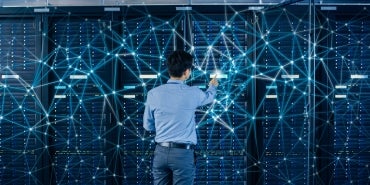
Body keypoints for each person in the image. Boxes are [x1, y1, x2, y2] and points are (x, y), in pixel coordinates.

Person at [143, 50, 219, 185]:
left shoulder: (153, 93)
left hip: (160, 152)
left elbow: (147, 126)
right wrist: (212, 86)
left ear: (169, 70)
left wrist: (164, 126)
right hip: (182, 154)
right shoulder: (193, 93)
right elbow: (209, 97)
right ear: (187, 72)